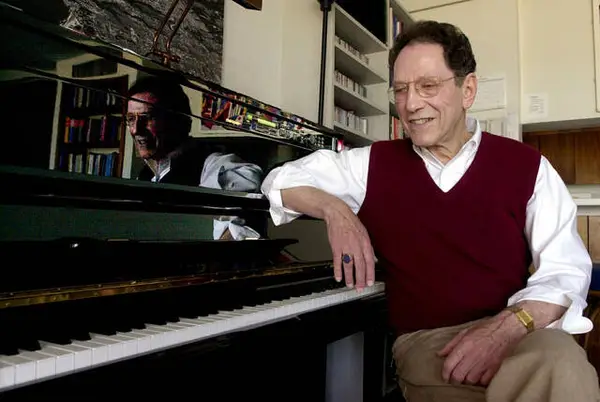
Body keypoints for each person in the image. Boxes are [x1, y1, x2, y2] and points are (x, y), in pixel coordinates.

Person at [260, 20, 600, 402]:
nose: (410, 104)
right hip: (429, 346)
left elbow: (566, 271)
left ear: (467, 90)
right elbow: (280, 180)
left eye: (428, 86)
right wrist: (335, 209)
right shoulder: (371, 164)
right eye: (401, 89)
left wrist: (505, 329)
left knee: (563, 362)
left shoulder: (528, 166)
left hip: (516, 333)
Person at [126, 75, 264, 240]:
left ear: (178, 121)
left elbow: (244, 221)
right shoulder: (145, 175)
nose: (135, 130)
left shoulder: (213, 165)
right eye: (131, 119)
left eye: (147, 118)